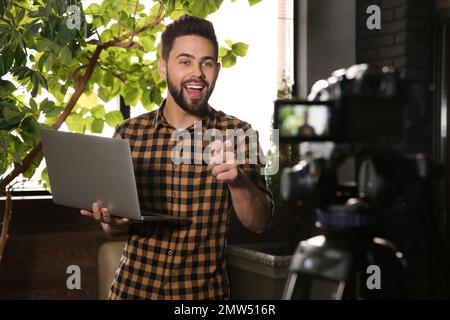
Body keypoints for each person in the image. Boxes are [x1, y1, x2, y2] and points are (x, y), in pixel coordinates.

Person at [80, 14, 274, 300]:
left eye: (206, 63)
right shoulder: (128, 133)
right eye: (185, 61)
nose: (197, 72)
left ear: (217, 70)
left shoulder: (238, 133)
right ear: (163, 68)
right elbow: (112, 227)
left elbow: (259, 222)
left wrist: (239, 182)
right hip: (131, 292)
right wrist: (112, 220)